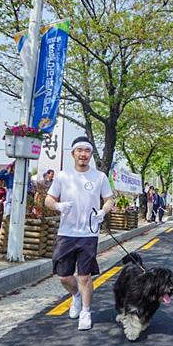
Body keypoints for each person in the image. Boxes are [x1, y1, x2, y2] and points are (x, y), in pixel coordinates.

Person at [45, 136, 114, 331]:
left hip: (89, 233)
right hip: (66, 232)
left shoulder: (99, 177)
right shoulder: (62, 176)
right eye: (79, 150)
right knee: (64, 276)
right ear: (73, 153)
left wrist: (103, 211)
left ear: (91, 155)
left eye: (87, 151)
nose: (83, 154)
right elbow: (48, 200)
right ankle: (75, 296)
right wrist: (58, 205)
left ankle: (85, 311)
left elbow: (109, 199)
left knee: (85, 276)